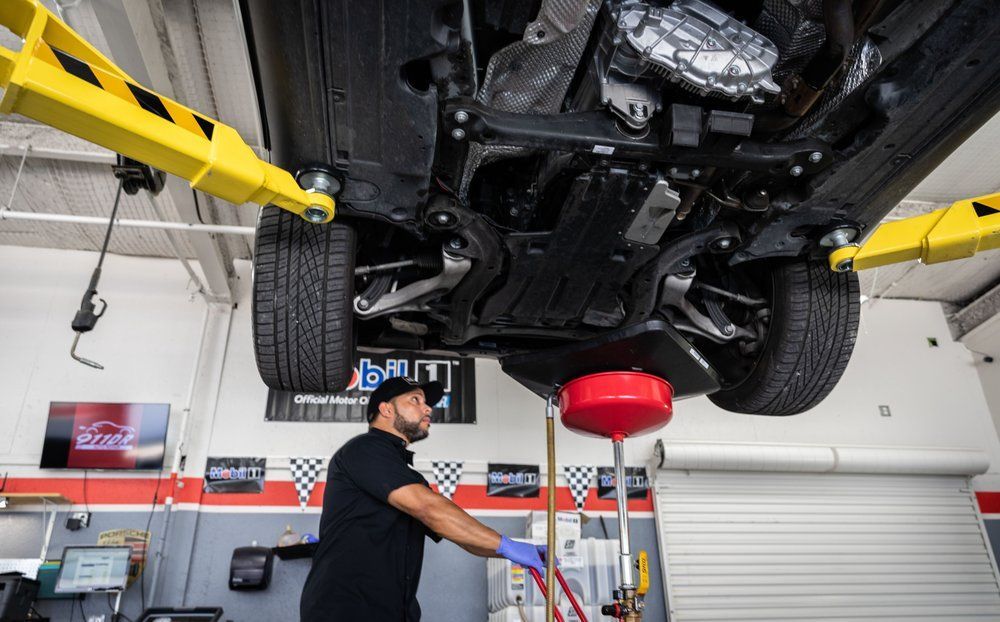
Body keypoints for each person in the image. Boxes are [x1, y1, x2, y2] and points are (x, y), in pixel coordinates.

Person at [300, 375, 553, 621]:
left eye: (426, 402)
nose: (427, 408)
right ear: (386, 410)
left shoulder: (407, 476)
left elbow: (460, 535)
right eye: (415, 400)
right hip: (345, 611)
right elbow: (429, 509)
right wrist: (506, 544)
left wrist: (511, 552)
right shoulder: (363, 449)